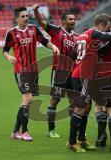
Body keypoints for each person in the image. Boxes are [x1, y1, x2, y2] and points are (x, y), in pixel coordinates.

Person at [2, 7, 59, 141]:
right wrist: (8, 57)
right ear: (17, 18)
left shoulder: (33, 29)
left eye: (27, 16)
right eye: (23, 16)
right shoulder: (12, 33)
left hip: (33, 71)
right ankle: (25, 131)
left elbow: (44, 41)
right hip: (21, 71)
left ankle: (15, 132)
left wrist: (54, 46)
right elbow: (5, 49)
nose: (26, 18)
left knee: (25, 101)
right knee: (28, 99)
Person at [69, 13, 111, 152]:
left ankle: (81, 139)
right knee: (80, 108)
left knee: (86, 107)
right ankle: (72, 142)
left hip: (78, 73)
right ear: (101, 25)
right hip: (83, 75)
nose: (108, 30)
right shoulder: (94, 33)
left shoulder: (82, 35)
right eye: (107, 27)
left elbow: (73, 54)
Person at [33, 4, 79, 138]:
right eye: (71, 19)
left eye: (74, 19)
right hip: (59, 72)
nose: (73, 21)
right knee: (55, 100)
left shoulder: (77, 36)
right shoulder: (56, 30)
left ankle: (74, 131)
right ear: (64, 21)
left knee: (73, 101)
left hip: (73, 73)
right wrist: (36, 11)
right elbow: (42, 22)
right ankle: (51, 130)